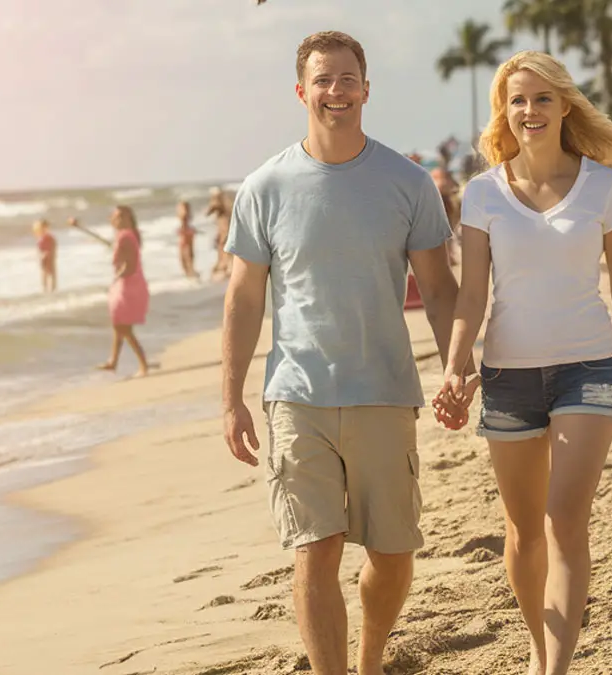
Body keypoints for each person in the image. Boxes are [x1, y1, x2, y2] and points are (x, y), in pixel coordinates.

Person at [220, 31, 471, 675]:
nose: (337, 92)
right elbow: (245, 299)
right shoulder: (264, 185)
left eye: (347, 79)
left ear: (367, 88)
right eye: (323, 80)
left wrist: (456, 369)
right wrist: (231, 400)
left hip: (385, 391)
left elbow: (440, 291)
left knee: (392, 555)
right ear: (301, 92)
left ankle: (370, 658)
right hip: (296, 396)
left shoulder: (408, 182)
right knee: (316, 548)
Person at [431, 51, 612, 675]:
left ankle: (555, 669)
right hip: (507, 374)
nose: (530, 110)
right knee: (522, 534)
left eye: (542, 98)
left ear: (565, 105)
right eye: (518, 99)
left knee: (564, 518)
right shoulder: (483, 193)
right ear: (504, 110)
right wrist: (455, 368)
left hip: (587, 368)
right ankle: (540, 647)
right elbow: (471, 295)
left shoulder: (605, 186)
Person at [68, 207, 150, 377]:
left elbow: (130, 265)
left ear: (128, 218)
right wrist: (80, 227)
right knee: (118, 324)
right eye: (115, 216)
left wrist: (115, 279)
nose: (117, 219)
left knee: (124, 327)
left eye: (121, 216)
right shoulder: (127, 235)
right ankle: (113, 361)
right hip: (131, 283)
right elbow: (111, 246)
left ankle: (143, 365)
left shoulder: (125, 236)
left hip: (127, 285)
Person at [206, 187, 233, 279]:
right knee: (222, 248)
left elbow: (208, 211)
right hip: (223, 232)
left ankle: (226, 266)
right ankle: (225, 265)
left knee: (224, 248)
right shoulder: (225, 206)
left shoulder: (221, 205)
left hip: (225, 232)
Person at [176, 200, 199, 280]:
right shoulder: (186, 218)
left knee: (186, 257)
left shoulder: (184, 217)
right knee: (187, 257)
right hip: (186, 239)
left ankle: (191, 274)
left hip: (185, 240)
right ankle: (191, 273)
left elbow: (184, 229)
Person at [32, 218, 57, 293]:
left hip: (48, 255)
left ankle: (51, 288)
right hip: (45, 256)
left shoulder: (48, 237)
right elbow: (39, 248)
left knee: (50, 272)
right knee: (46, 272)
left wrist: (51, 253)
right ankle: (46, 288)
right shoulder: (42, 237)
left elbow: (53, 246)